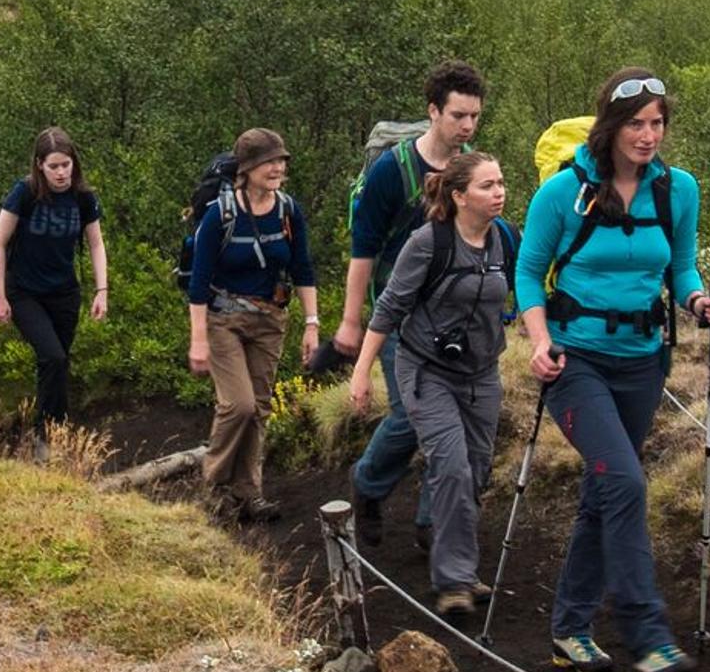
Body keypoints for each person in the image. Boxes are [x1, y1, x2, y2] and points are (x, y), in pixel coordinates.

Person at [516, 70, 710, 672]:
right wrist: (538, 341)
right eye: (636, 123)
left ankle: (569, 629)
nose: (648, 135)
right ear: (611, 126)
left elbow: (683, 268)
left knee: (605, 489)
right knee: (626, 482)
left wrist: (700, 305)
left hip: (643, 360)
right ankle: (648, 638)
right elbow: (529, 274)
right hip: (574, 360)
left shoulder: (678, 190)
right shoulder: (563, 193)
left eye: (657, 123)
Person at [346, 149, 514, 623]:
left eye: (501, 183)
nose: (498, 192)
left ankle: (455, 556)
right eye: (487, 186)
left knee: (476, 468)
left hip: (482, 371)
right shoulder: (427, 242)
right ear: (460, 195)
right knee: (453, 464)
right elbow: (390, 308)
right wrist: (361, 372)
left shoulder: (505, 238)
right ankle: (455, 580)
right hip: (425, 370)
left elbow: (532, 283)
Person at [338, 60, 487, 557]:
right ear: (433, 112)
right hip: (399, 315)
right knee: (410, 414)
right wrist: (350, 321)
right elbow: (364, 251)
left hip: (457, 317)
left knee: (458, 420)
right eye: (458, 115)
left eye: (474, 117)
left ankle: (431, 521)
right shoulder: (392, 170)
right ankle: (369, 482)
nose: (467, 127)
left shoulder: (473, 171)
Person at [184, 128, 316, 522]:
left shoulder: (288, 211)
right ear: (247, 169)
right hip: (222, 319)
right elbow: (198, 283)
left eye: (281, 161)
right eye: (269, 162)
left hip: (270, 320)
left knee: (258, 408)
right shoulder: (219, 215)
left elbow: (304, 269)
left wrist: (312, 324)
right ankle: (213, 486)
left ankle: (248, 493)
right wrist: (198, 340)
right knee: (237, 405)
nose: (278, 168)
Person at [0, 127, 108, 455]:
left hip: (65, 292)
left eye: (65, 165)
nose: (61, 172)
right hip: (24, 291)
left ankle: (55, 431)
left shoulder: (83, 197)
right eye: (54, 166)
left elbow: (95, 243)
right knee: (51, 355)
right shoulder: (24, 193)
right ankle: (43, 435)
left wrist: (102, 290)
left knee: (58, 362)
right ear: (40, 165)